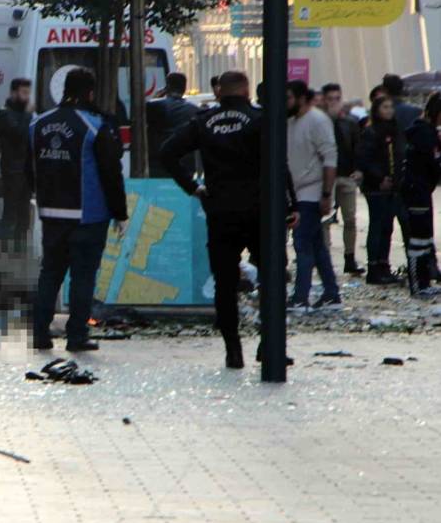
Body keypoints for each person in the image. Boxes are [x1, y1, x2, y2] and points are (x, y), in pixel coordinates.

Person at [162, 71, 299, 369]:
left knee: (225, 284)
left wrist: (194, 188)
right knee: (271, 277)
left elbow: (167, 153)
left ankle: (232, 350)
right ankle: (269, 343)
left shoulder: (203, 121)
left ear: (220, 91)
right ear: (247, 90)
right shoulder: (260, 119)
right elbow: (279, 163)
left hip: (221, 211)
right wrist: (291, 204)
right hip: (260, 210)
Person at [29, 68, 127, 353]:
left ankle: (39, 333)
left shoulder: (38, 124)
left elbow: (29, 168)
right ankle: (76, 336)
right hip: (88, 215)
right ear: (91, 92)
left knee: (50, 273)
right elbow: (111, 173)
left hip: (51, 213)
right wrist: (120, 212)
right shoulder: (94, 126)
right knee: (83, 276)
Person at [287, 80, 342, 312]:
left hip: (311, 192)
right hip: (297, 193)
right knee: (317, 246)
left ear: (301, 98)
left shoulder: (317, 121)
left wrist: (326, 194)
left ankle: (301, 297)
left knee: (303, 246)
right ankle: (331, 294)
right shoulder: (290, 121)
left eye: (289, 97)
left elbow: (330, 159)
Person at [357, 94, 407, 285]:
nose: (389, 111)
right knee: (377, 226)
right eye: (385, 107)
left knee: (387, 226)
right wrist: (379, 178)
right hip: (376, 188)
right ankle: (374, 267)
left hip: (392, 187)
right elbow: (364, 159)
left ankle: (383, 265)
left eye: (390, 107)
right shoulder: (371, 132)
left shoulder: (395, 130)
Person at [401, 92, 441, 295]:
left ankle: (423, 283)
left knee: (424, 238)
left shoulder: (423, 131)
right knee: (419, 240)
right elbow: (432, 164)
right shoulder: (424, 134)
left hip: (420, 189)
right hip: (417, 190)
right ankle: (418, 284)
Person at [321, 83, 364, 274]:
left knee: (350, 219)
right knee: (326, 220)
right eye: (330, 99)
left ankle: (349, 257)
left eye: (337, 98)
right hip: (326, 177)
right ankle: (325, 258)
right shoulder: (321, 122)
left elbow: (357, 148)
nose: (334, 103)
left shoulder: (350, 123)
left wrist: (358, 169)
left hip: (346, 175)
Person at [0, 78, 34, 252]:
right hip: (12, 169)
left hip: (26, 169)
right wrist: (27, 115)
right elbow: (19, 135)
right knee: (11, 212)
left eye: (28, 93)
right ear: (13, 93)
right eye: (23, 93)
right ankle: (4, 248)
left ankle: (20, 248)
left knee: (24, 213)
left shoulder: (24, 114)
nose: (27, 97)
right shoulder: (4, 113)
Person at [145, 72, 198, 178]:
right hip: (186, 163)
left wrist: (155, 97)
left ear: (167, 87)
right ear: (184, 88)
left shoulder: (155, 106)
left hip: (159, 163)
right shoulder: (194, 110)